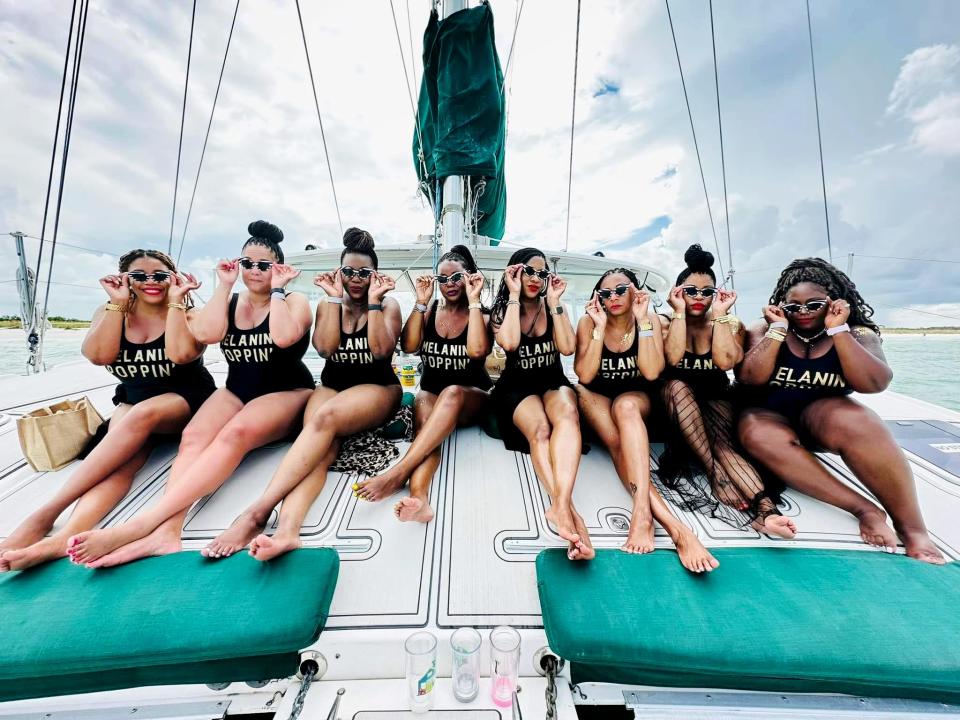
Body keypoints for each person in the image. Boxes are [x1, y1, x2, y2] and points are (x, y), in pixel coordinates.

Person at [65, 221, 316, 567]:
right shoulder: (230, 301)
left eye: (264, 265)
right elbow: (208, 333)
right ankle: (168, 531)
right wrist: (224, 287)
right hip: (237, 389)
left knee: (234, 434)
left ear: (277, 268)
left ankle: (145, 523)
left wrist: (276, 290)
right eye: (247, 264)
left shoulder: (295, 299)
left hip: (288, 390)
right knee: (193, 437)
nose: (254, 271)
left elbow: (286, 337)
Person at [0, 250, 215, 572]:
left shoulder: (189, 314)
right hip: (132, 400)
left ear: (173, 277)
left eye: (159, 275)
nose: (150, 282)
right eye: (139, 276)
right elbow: (98, 355)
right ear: (125, 279)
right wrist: (116, 303)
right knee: (118, 465)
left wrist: (174, 301)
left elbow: (183, 355)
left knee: (139, 415)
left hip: (185, 399)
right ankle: (67, 536)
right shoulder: (111, 310)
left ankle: (44, 515)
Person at [203, 227, 404, 561]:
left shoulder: (388, 305)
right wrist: (335, 299)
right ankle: (287, 532)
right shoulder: (328, 305)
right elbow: (325, 348)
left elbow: (381, 351)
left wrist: (371, 303)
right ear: (339, 274)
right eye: (348, 272)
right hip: (333, 386)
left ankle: (256, 512)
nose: (355, 278)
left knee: (324, 419)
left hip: (378, 387)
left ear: (375, 275)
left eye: (363, 273)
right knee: (318, 445)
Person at [737, 257, 943, 564]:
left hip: (820, 417)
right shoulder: (765, 329)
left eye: (814, 304)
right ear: (782, 306)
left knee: (860, 421)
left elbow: (874, 384)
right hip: (768, 415)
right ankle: (865, 509)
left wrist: (839, 331)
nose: (803, 312)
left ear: (833, 302)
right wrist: (778, 329)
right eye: (794, 307)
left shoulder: (858, 335)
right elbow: (749, 377)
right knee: (757, 432)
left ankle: (912, 528)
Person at [574, 267, 718, 572]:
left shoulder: (649, 320)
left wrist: (642, 321)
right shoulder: (588, 322)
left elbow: (652, 372)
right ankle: (676, 528)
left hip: (637, 397)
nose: (612, 298)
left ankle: (642, 512)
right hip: (596, 394)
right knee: (616, 444)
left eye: (620, 290)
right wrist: (599, 327)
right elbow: (585, 375)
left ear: (635, 292)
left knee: (625, 407)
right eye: (605, 293)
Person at [660, 245, 796, 538]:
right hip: (674, 403)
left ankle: (767, 511)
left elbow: (725, 362)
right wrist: (680, 314)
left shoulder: (730, 323)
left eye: (706, 292)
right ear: (678, 292)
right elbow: (671, 359)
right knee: (677, 386)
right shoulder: (666, 322)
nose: (698, 298)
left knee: (724, 445)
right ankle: (714, 473)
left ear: (716, 295)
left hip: (714, 396)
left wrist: (720, 315)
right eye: (690, 291)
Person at [356, 245, 492, 524]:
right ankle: (420, 500)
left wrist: (475, 300)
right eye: (443, 279)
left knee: (452, 393)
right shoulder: (429, 311)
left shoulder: (482, 314)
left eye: (457, 278)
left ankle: (397, 473)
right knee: (424, 433)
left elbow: (478, 351)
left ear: (470, 278)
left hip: (472, 397)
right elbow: (409, 345)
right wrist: (420, 301)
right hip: (431, 392)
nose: (449, 285)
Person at [489, 248, 592, 561]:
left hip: (551, 382)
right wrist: (514, 294)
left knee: (569, 414)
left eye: (541, 273)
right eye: (528, 271)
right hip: (515, 388)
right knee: (540, 431)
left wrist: (556, 304)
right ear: (514, 273)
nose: (535, 278)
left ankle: (560, 507)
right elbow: (507, 343)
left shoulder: (552, 307)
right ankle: (570, 512)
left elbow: (567, 347)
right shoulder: (502, 310)